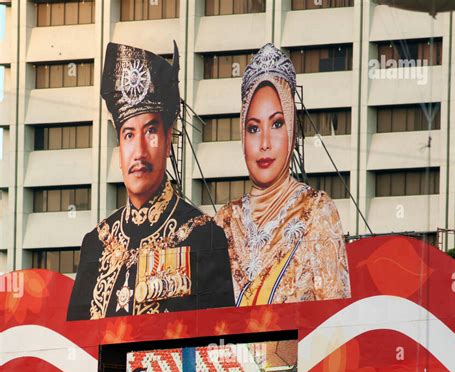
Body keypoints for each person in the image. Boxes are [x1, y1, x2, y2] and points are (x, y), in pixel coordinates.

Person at [67, 41, 234, 320]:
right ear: (119, 150)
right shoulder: (96, 243)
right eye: (129, 135)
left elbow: (217, 345)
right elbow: (75, 347)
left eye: (151, 131)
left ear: (169, 140)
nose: (140, 151)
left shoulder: (203, 237)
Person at [215, 43, 351, 307]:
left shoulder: (317, 212)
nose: (264, 142)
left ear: (292, 130)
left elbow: (334, 322)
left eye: (277, 124)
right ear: (242, 134)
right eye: (253, 128)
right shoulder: (223, 223)